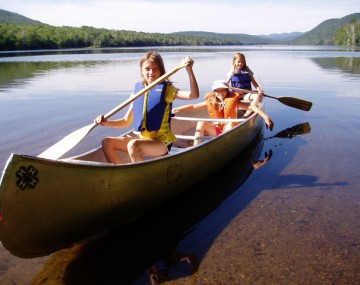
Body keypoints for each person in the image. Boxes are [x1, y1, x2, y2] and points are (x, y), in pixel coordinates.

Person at [95, 51, 199, 164]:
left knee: (133, 145)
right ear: (142, 71)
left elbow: (193, 95)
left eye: (155, 69)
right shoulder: (138, 92)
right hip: (142, 141)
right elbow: (125, 121)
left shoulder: (167, 90)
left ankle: (138, 175)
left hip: (161, 143)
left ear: (161, 71)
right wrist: (106, 122)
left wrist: (189, 70)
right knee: (107, 142)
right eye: (147, 69)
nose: (151, 72)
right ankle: (117, 173)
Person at [172, 80, 274, 146]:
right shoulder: (212, 100)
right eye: (217, 91)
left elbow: (251, 107)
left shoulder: (234, 101)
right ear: (214, 92)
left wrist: (265, 117)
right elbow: (194, 107)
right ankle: (195, 146)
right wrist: (178, 109)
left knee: (229, 122)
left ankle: (223, 145)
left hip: (230, 130)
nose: (220, 93)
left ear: (227, 91)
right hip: (217, 130)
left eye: (223, 91)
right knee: (201, 122)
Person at [225, 52, 264, 118]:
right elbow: (225, 84)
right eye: (238, 62)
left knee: (257, 96)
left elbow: (254, 82)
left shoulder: (247, 70)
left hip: (246, 95)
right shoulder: (232, 71)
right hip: (236, 95)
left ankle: (247, 114)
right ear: (234, 61)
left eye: (242, 62)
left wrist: (259, 90)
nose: (240, 64)